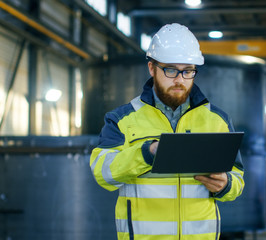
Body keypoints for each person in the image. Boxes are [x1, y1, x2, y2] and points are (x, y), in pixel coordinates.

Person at [89, 23, 245, 240]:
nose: (179, 80)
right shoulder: (121, 119)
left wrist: (226, 184)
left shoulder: (217, 120)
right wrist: (147, 152)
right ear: (152, 68)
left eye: (188, 71)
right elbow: (103, 173)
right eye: (170, 70)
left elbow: (237, 178)